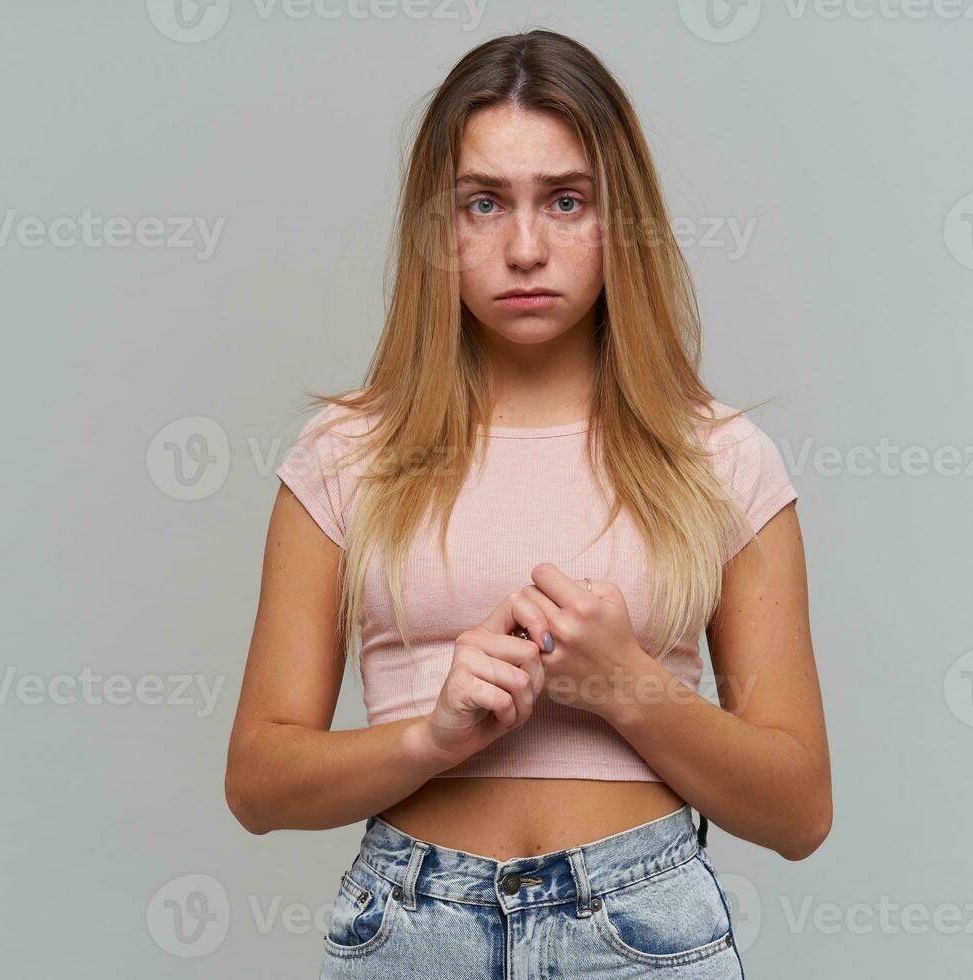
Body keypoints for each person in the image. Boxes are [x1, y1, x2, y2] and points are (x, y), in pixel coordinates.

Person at [224, 28, 831, 978]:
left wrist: (627, 685)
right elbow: (259, 783)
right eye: (482, 203)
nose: (523, 247)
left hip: (643, 929)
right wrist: (430, 737)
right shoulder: (347, 452)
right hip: (413, 927)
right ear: (439, 226)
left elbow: (798, 812)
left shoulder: (720, 459)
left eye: (566, 200)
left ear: (617, 218)